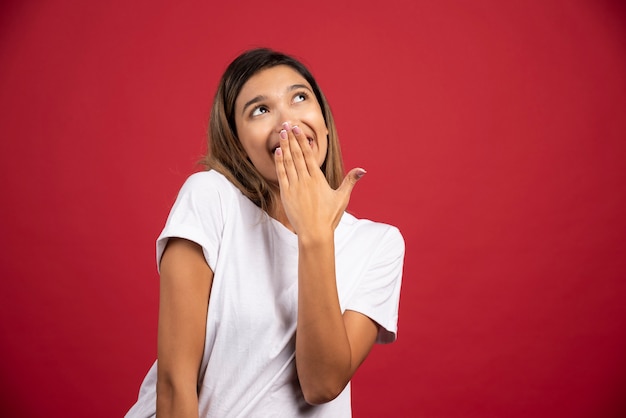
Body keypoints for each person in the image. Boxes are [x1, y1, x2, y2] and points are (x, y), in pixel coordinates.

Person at [126, 48, 405, 418]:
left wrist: (315, 235)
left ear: (323, 123)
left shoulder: (378, 244)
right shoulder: (210, 198)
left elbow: (321, 383)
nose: (286, 123)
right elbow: (176, 383)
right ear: (237, 143)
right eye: (260, 110)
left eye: (300, 97)